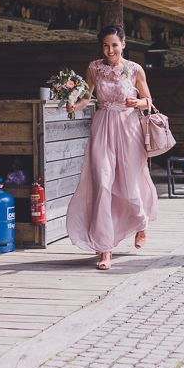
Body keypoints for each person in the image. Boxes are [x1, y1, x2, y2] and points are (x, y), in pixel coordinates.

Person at [65, 25, 157, 270]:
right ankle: (104, 249)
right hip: (102, 126)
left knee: (129, 185)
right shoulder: (95, 67)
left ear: (123, 44)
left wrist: (138, 102)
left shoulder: (135, 69)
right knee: (103, 183)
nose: (110, 50)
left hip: (129, 129)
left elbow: (148, 101)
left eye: (114, 45)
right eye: (106, 45)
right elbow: (87, 96)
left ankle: (141, 222)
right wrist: (75, 105)